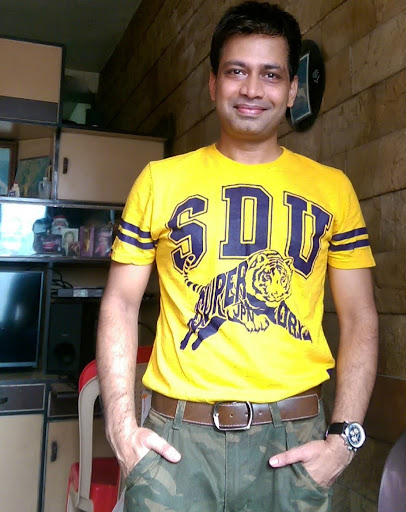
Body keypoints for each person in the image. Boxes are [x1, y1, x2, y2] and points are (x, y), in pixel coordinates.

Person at [96, 2, 378, 511]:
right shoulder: (160, 182)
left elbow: (359, 316)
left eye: (271, 74)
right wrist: (121, 430)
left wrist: (344, 441)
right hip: (176, 444)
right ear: (213, 84)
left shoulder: (333, 189)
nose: (252, 89)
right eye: (236, 71)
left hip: (293, 440)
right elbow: (120, 302)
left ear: (291, 89)